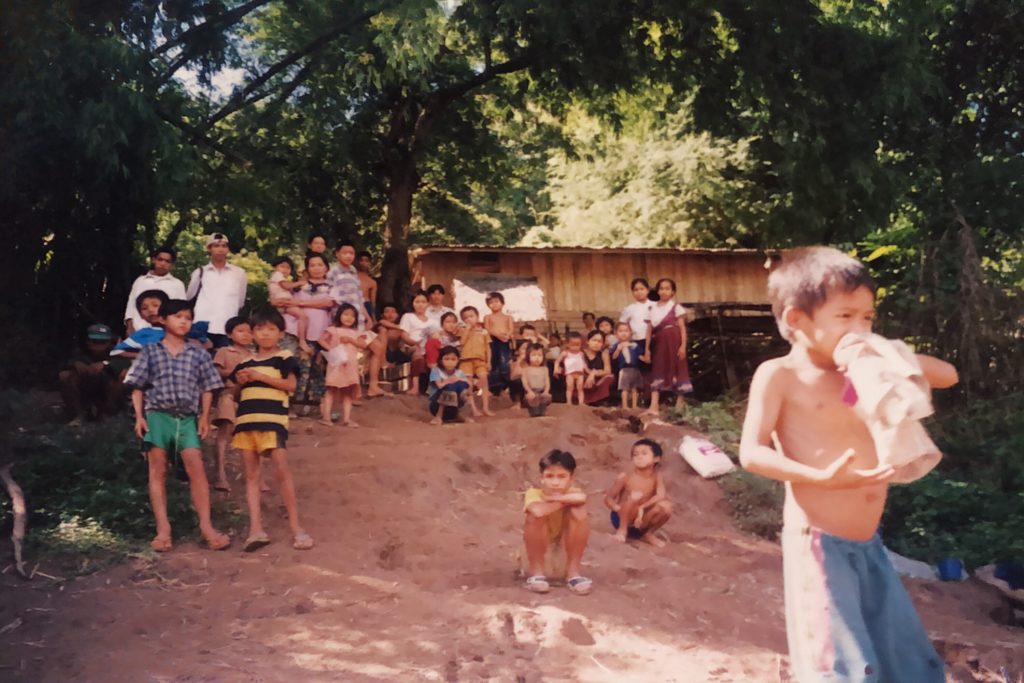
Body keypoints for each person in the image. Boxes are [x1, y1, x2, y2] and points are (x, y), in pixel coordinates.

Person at [739, 247, 958, 683]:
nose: (860, 328)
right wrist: (817, 477)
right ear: (797, 321)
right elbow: (752, 452)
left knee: (907, 663)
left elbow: (947, 374)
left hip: (870, 543)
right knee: (840, 667)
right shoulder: (781, 375)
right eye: (845, 317)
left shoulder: (867, 371)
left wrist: (882, 353)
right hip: (820, 544)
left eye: (868, 318)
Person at [124, 299, 231, 552]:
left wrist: (205, 417)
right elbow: (137, 386)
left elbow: (207, 387)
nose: (183, 321)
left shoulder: (198, 353)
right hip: (157, 416)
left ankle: (206, 527)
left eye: (188, 317)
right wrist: (140, 417)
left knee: (197, 470)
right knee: (157, 471)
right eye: (178, 316)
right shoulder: (151, 351)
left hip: (186, 419)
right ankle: (163, 530)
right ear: (163, 320)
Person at [231, 308, 314, 552]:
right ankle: (255, 530)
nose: (265, 334)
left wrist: (259, 376)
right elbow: (237, 394)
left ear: (280, 333)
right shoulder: (244, 363)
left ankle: (296, 528)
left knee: (281, 471)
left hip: (273, 421)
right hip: (246, 422)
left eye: (271, 329)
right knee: (252, 476)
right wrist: (241, 381)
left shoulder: (285, 357)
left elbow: (290, 385)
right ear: (253, 334)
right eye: (259, 329)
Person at [522, 449, 592, 595]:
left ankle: (573, 574)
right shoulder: (533, 493)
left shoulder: (574, 491)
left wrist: (553, 499)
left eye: (561, 477)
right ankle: (536, 573)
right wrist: (565, 501)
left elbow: (581, 498)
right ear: (541, 478)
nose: (555, 482)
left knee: (579, 511)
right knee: (534, 517)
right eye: (549, 476)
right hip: (540, 551)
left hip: (564, 550)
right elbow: (538, 511)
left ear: (571, 478)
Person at [327, 241, 388, 397]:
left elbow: (359, 297)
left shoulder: (353, 271)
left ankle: (373, 385)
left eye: (351, 253)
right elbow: (330, 296)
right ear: (337, 254)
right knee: (350, 356)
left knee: (377, 347)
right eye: (345, 252)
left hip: (359, 319)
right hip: (344, 322)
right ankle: (353, 392)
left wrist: (367, 317)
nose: (348, 256)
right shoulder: (333, 272)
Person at [603, 438, 672, 547]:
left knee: (666, 506)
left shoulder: (657, 476)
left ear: (656, 459)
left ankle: (648, 534)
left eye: (644, 454)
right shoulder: (625, 477)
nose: (639, 457)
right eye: (635, 454)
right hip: (621, 518)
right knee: (635, 497)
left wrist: (642, 507)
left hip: (641, 522)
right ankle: (622, 531)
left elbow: (660, 495)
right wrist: (618, 509)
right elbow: (608, 499)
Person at [211, 316, 253, 492]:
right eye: (240, 331)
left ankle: (254, 477)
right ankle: (220, 475)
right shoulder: (225, 351)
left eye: (249, 331)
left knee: (252, 438)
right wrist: (236, 372)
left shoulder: (255, 355)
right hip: (228, 395)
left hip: (249, 397)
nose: (246, 335)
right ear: (230, 334)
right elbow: (216, 371)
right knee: (225, 434)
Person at [288, 254, 334, 412]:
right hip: (301, 332)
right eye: (312, 265)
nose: (316, 268)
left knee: (318, 368)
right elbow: (288, 304)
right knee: (301, 368)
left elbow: (329, 303)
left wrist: (302, 303)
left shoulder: (332, 287)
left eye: (320, 265)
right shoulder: (299, 285)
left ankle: (316, 406)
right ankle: (296, 405)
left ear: (326, 267)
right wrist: (317, 304)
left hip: (322, 332)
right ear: (307, 268)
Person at [59, 324, 130, 425]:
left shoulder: (118, 351)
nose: (99, 346)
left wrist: (106, 364)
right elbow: (64, 363)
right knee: (65, 376)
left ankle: (107, 413)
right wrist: (75, 364)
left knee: (126, 375)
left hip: (108, 389)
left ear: (109, 342)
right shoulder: (80, 351)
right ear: (88, 342)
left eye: (103, 342)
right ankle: (78, 414)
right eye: (95, 341)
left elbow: (128, 363)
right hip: (86, 386)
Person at [186, 233, 247, 348]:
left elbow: (240, 301)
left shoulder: (239, 273)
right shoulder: (200, 272)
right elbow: (189, 296)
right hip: (202, 327)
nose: (220, 249)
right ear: (209, 249)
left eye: (224, 246)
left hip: (227, 327)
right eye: (216, 246)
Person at [644, 278, 692, 414]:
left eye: (667, 288)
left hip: (674, 341)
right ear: (658, 291)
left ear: (673, 292)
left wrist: (683, 346)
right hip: (659, 342)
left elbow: (682, 328)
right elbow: (649, 330)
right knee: (658, 368)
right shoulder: (652, 308)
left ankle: (679, 404)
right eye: (661, 288)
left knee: (678, 367)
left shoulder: (676, 307)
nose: (664, 291)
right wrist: (647, 349)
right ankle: (654, 406)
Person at [319, 303, 367, 428]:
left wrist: (351, 340)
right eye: (346, 314)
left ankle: (346, 418)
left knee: (348, 391)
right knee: (331, 389)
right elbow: (321, 340)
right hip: (336, 364)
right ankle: (326, 417)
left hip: (351, 365)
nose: (349, 318)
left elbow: (363, 345)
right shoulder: (333, 330)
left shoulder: (357, 333)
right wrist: (331, 349)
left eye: (352, 316)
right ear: (339, 315)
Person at [123, 247, 186, 335]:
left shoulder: (177, 284)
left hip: (165, 333)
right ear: (153, 260)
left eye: (167, 261)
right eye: (160, 259)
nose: (163, 263)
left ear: (172, 265)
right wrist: (129, 326)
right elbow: (131, 305)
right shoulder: (140, 281)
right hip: (138, 329)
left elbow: (180, 310)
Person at [268, 256, 311, 354]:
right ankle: (302, 340)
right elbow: (286, 285)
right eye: (282, 266)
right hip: (284, 303)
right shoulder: (277, 275)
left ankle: (299, 338)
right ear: (275, 267)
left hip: (283, 304)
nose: (285, 270)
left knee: (301, 317)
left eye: (288, 268)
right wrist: (300, 282)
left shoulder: (282, 279)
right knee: (303, 316)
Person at [458, 305, 494, 417]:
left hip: (480, 360)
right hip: (465, 360)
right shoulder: (462, 330)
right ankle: (474, 409)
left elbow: (488, 348)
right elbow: (462, 343)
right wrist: (467, 330)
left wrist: (489, 362)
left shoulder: (483, 332)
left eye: (471, 316)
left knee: (484, 380)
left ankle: (485, 408)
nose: (469, 319)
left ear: (477, 317)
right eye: (466, 318)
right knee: (468, 385)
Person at [399, 290, 436, 395]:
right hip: (410, 346)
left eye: (423, 302)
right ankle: (415, 387)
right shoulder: (408, 316)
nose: (420, 305)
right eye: (417, 302)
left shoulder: (432, 321)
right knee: (417, 351)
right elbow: (404, 335)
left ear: (428, 304)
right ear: (413, 303)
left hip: (427, 348)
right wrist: (415, 343)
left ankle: (432, 387)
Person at [427, 346, 473, 425]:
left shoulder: (459, 373)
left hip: (454, 407)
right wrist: (449, 380)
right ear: (441, 360)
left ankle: (459, 414)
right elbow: (439, 386)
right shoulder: (436, 371)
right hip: (436, 405)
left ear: (458, 361)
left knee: (462, 384)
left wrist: (460, 379)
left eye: (453, 359)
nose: (450, 362)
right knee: (450, 386)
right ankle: (438, 416)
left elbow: (469, 388)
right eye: (447, 359)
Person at [484, 292, 514, 394]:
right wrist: (498, 335)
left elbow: (510, 329)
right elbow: (487, 329)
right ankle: (494, 388)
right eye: (491, 302)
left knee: (504, 363)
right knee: (494, 363)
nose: (494, 304)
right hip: (493, 341)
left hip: (505, 341)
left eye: (496, 301)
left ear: (502, 303)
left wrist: (507, 335)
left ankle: (506, 385)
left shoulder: (508, 317)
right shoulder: (488, 317)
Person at [611, 322, 643, 410]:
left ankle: (634, 405)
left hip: (635, 368)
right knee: (624, 388)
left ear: (631, 333)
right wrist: (618, 349)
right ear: (616, 334)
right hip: (624, 369)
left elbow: (640, 356)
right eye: (620, 331)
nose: (624, 333)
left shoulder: (634, 346)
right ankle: (625, 405)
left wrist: (645, 358)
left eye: (626, 331)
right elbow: (614, 357)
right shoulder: (616, 346)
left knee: (634, 388)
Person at [619, 277, 652, 361]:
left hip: (654, 340)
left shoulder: (655, 305)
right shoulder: (629, 308)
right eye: (636, 290)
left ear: (647, 290)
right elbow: (622, 324)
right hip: (637, 341)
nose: (639, 292)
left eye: (642, 289)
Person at [582, 329, 613, 405]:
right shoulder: (581, 352)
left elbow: (608, 370)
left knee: (609, 377)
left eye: (599, 341)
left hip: (598, 380)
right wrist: (590, 374)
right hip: (583, 379)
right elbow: (582, 368)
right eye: (594, 340)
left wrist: (593, 374)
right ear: (588, 341)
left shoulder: (603, 353)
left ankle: (597, 400)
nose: (596, 343)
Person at [554, 331, 586, 405]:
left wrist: (588, 371)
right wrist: (556, 369)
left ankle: (581, 402)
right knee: (569, 388)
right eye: (573, 345)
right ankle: (569, 402)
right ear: (567, 344)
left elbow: (583, 363)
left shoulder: (581, 353)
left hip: (580, 373)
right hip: (570, 374)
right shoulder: (565, 353)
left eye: (578, 345)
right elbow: (557, 361)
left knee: (580, 388)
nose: (576, 347)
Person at [521, 343, 552, 417]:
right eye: (534, 355)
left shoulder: (545, 369)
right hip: (531, 392)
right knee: (534, 408)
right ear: (528, 356)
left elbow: (547, 382)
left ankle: (543, 410)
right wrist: (529, 391)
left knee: (546, 398)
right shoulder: (525, 369)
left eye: (540, 355)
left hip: (542, 392)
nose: (537, 358)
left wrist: (546, 391)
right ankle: (534, 411)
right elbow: (525, 383)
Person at [356, 250, 378, 320]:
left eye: (366, 261)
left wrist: (373, 318)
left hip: (366, 305)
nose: (363, 263)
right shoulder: (351, 276)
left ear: (369, 263)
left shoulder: (372, 282)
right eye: (361, 260)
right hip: (353, 303)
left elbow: (373, 302)